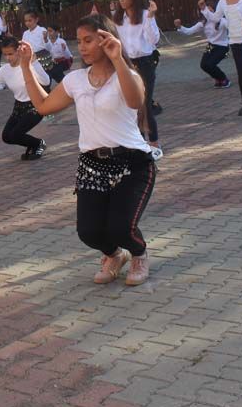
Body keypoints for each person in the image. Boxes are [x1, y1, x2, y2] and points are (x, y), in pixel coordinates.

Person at [18, 15, 155, 286]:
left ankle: (139, 254)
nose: (81, 47)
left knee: (121, 227)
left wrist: (117, 59)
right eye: (79, 41)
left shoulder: (128, 76)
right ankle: (114, 255)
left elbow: (136, 100)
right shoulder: (75, 80)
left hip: (133, 164)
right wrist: (26, 66)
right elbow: (44, 106)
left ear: (106, 39)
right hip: (92, 165)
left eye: (88, 40)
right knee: (88, 232)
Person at [0, 37, 50, 160]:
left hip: (36, 106)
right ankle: (33, 144)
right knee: (7, 137)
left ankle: (37, 144)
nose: (8, 58)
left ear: (18, 51)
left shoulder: (29, 64)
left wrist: (33, 62)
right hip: (19, 107)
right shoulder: (4, 70)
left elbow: (46, 81)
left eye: (10, 54)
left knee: (15, 134)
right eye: (5, 54)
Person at [112, 0, 162, 157]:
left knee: (145, 105)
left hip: (145, 62)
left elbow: (153, 39)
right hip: (127, 64)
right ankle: (139, 145)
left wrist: (150, 17)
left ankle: (154, 145)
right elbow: (114, 39)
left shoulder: (145, 15)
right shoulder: (119, 18)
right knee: (131, 106)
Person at [174, 13, 231, 89]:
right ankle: (217, 78)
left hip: (223, 47)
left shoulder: (222, 21)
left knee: (210, 64)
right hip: (211, 46)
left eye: (211, 11)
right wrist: (179, 26)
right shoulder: (203, 23)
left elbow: (232, 27)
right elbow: (189, 31)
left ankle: (224, 79)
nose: (209, 14)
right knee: (203, 65)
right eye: (206, 12)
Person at [20, 10, 65, 84]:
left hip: (47, 58)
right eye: (26, 21)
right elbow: (24, 46)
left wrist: (46, 39)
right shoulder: (25, 34)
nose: (27, 23)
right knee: (44, 82)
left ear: (36, 20)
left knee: (60, 78)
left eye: (30, 20)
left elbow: (49, 48)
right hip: (34, 60)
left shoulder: (42, 30)